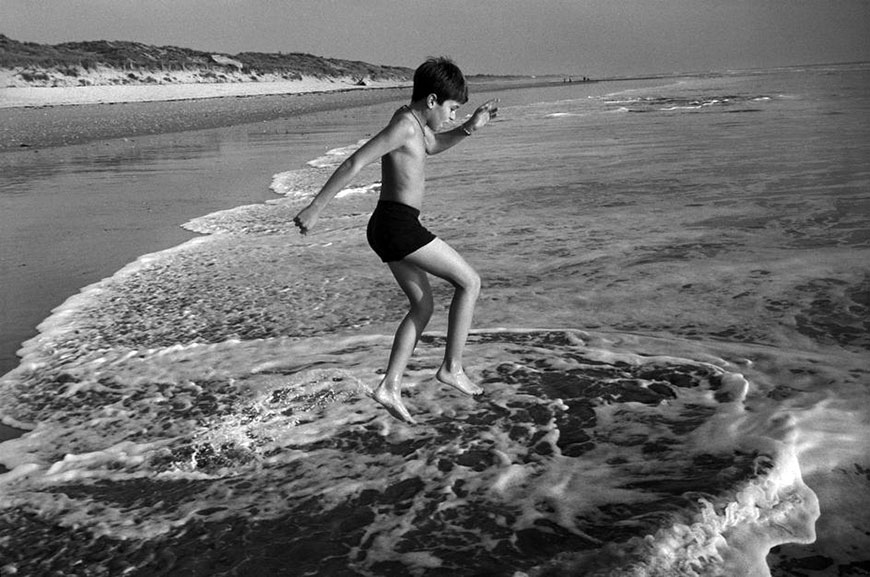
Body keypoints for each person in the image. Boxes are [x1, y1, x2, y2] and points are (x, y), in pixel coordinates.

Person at [293, 57, 499, 424]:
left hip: (392, 225)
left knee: (423, 307)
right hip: (397, 225)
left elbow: (432, 145)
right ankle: (452, 367)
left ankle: (390, 385)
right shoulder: (404, 125)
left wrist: (471, 127)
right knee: (470, 281)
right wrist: (315, 207)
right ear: (433, 100)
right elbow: (356, 162)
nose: (452, 116)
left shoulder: (415, 124)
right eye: (452, 109)